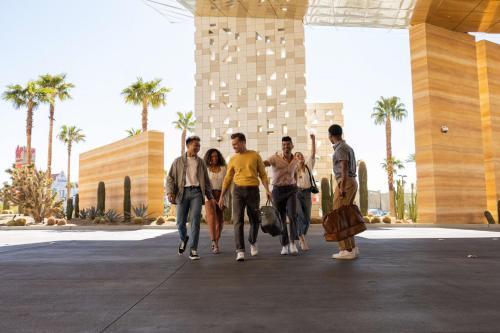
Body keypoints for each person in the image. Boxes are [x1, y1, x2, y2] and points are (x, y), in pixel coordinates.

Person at [218, 133, 272, 262]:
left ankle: (252, 241)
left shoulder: (254, 155)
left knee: (255, 220)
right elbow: (227, 178)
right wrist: (222, 196)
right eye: (232, 145)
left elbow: (263, 174)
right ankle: (240, 250)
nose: (234, 147)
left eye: (235, 144)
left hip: (253, 190)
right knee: (238, 220)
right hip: (237, 191)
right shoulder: (233, 159)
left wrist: (267, 190)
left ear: (243, 142)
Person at [166, 136, 215, 261]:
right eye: (195, 145)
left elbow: (206, 181)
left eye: (199, 145)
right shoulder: (177, 161)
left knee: (195, 222)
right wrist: (170, 192)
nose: (197, 147)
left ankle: (193, 249)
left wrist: (210, 196)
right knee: (180, 222)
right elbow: (170, 178)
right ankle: (184, 238)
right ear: (188, 146)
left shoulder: (201, 162)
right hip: (182, 193)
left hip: (197, 193)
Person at [328, 124, 359, 260]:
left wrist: (341, 187)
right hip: (352, 181)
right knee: (345, 215)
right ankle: (352, 248)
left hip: (345, 182)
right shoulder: (348, 147)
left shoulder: (340, 149)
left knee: (338, 215)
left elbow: (344, 167)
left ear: (331, 136)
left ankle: (345, 249)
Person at [264, 136, 300, 256]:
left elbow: (295, 174)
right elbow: (265, 163)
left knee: (293, 215)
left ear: (292, 145)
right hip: (278, 191)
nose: (286, 147)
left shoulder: (296, 159)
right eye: (284, 145)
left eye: (288, 144)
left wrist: (296, 185)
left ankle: (293, 243)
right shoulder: (275, 158)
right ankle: (284, 245)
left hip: (291, 190)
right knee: (281, 218)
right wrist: (259, 163)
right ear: (282, 146)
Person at [204, 148, 228, 254]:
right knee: (211, 218)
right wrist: (210, 197)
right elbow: (204, 183)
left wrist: (223, 197)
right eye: (212, 156)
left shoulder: (223, 168)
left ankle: (216, 241)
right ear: (208, 158)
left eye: (216, 156)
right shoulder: (205, 169)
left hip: (221, 195)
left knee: (220, 220)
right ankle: (214, 242)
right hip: (209, 195)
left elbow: (226, 183)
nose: (215, 158)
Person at [294, 133, 316, 251]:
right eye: (297, 156)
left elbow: (313, 154)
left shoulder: (308, 166)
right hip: (297, 193)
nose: (300, 156)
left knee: (307, 219)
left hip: (307, 193)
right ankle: (301, 239)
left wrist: (313, 140)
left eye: (301, 155)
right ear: (295, 159)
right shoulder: (293, 170)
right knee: (300, 216)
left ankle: (301, 233)